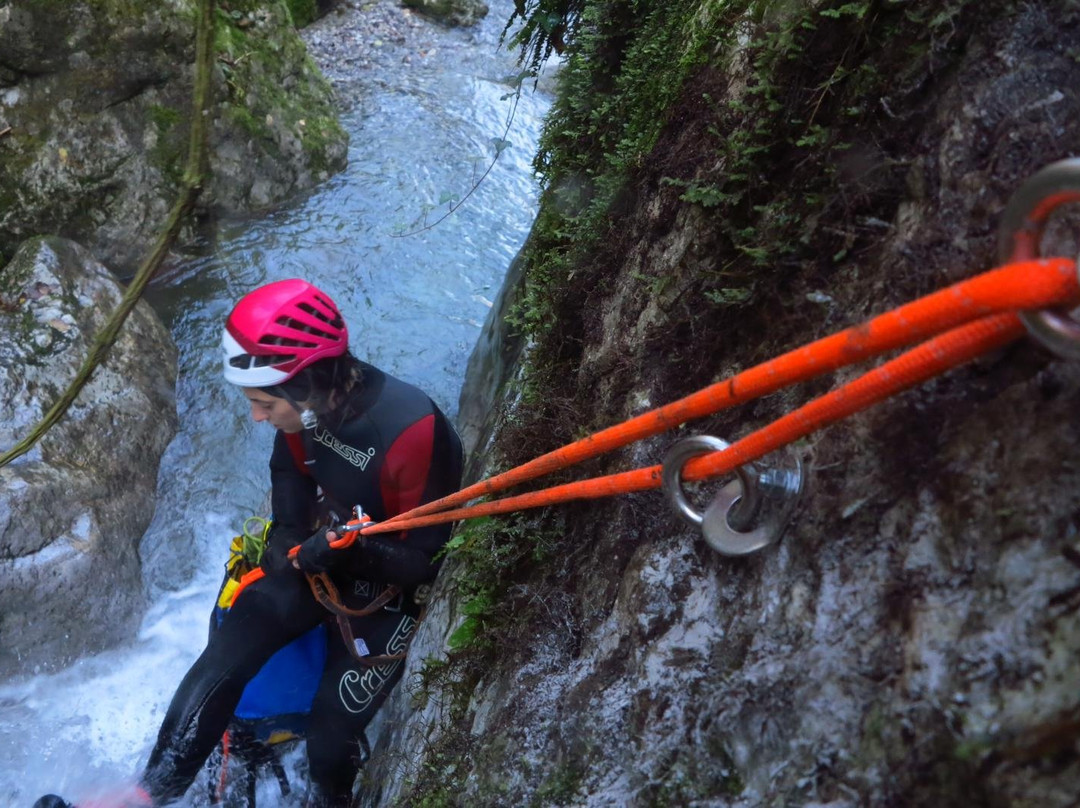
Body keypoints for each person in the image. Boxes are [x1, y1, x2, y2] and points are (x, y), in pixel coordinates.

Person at [36, 278, 464, 808]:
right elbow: (289, 475)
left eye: (263, 403)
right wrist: (288, 534)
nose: (257, 416)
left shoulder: (413, 430)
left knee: (330, 746)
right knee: (226, 653)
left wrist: (351, 551)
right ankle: (146, 794)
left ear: (305, 383)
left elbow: (429, 563)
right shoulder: (304, 409)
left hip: (388, 588)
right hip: (321, 556)